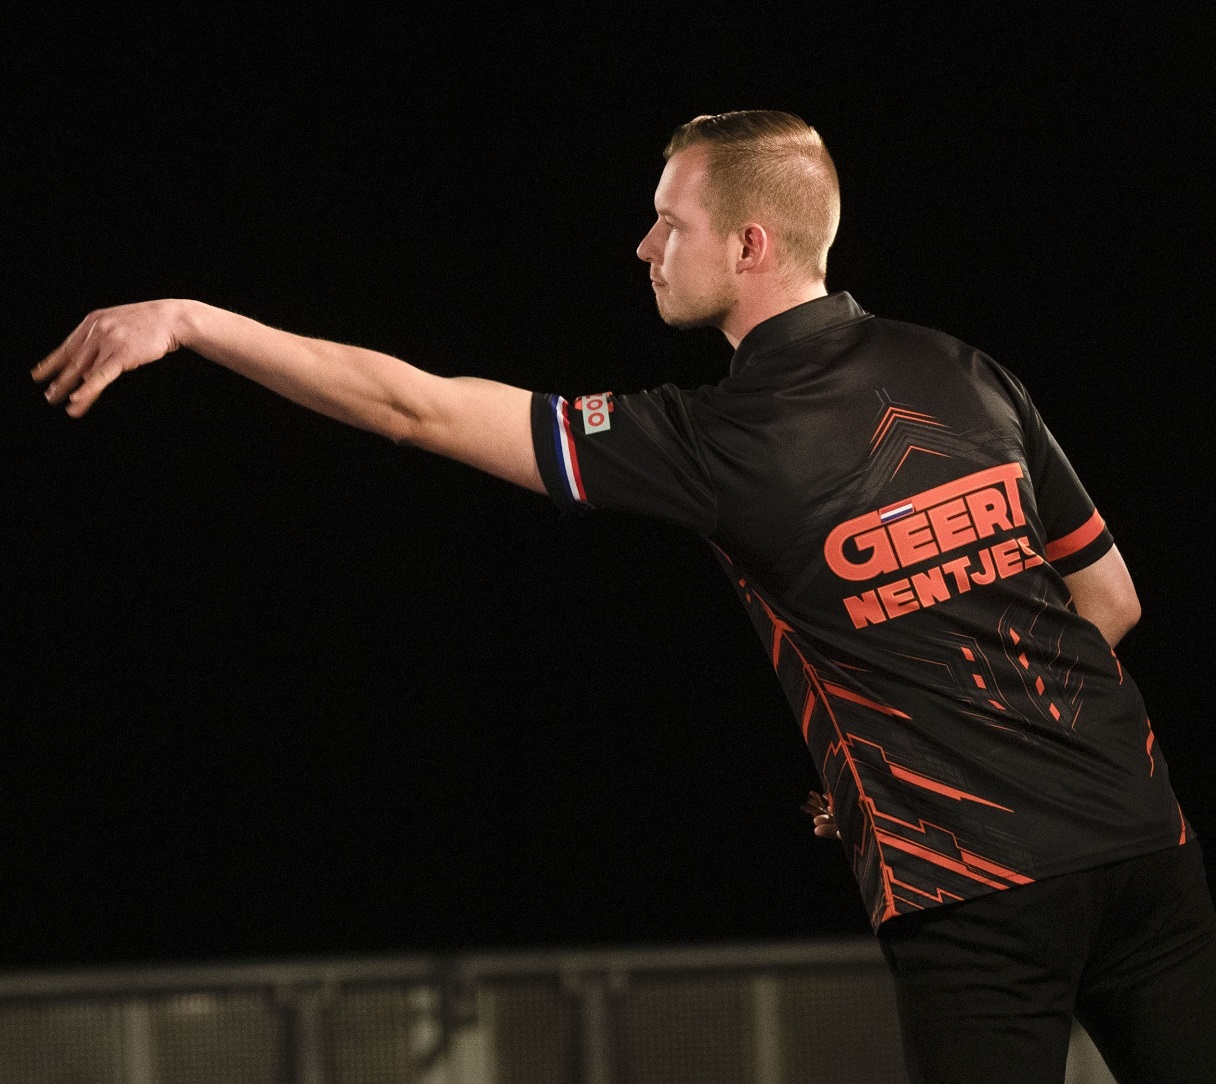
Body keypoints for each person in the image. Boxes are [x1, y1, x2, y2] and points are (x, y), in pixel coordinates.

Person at [33, 111, 1215, 1083]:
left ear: (748, 245)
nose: (645, 245)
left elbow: (415, 407)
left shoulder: (720, 437)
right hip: (1146, 843)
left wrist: (193, 321)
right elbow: (1107, 598)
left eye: (668, 220)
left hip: (974, 891)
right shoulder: (961, 366)